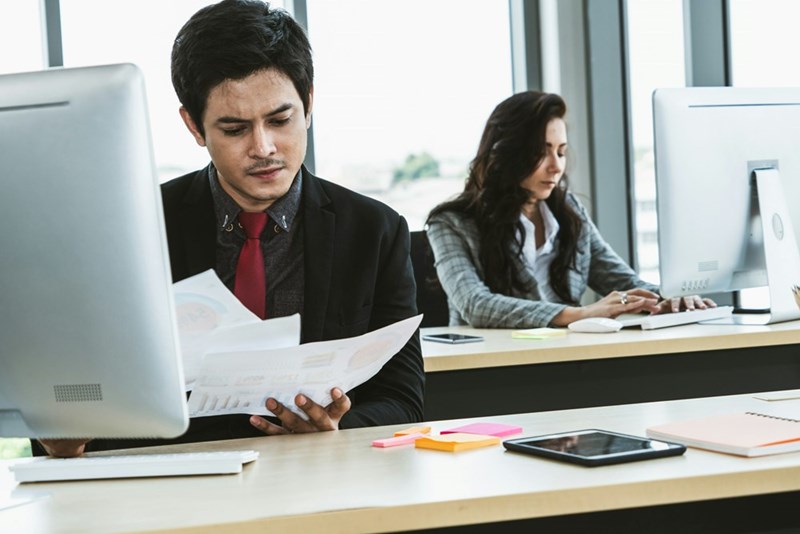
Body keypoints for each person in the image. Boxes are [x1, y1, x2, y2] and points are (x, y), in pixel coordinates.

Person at [38, 0, 424, 457]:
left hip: (314, 483)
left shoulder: (374, 230)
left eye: (280, 120)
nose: (263, 148)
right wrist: (62, 434)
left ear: (309, 104)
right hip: (171, 490)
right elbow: (70, 400)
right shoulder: (132, 229)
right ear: (194, 126)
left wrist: (333, 428)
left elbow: (403, 401)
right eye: (235, 129)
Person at [426, 91, 715, 329]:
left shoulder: (568, 212)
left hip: (567, 359)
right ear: (507, 152)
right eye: (542, 151)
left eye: (561, 151)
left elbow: (623, 282)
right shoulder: (450, 223)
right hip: (486, 368)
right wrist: (581, 314)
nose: (556, 165)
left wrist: (668, 298)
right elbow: (476, 305)